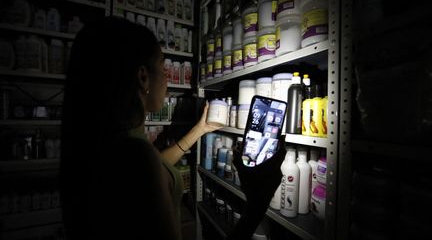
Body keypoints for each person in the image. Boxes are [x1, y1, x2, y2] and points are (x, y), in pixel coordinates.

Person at [60, 16, 286, 240]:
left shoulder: (108, 141)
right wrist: (256, 207)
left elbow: (159, 163)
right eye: (162, 65)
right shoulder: (135, 154)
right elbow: (148, 165)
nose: (167, 76)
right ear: (143, 77)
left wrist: (200, 129)